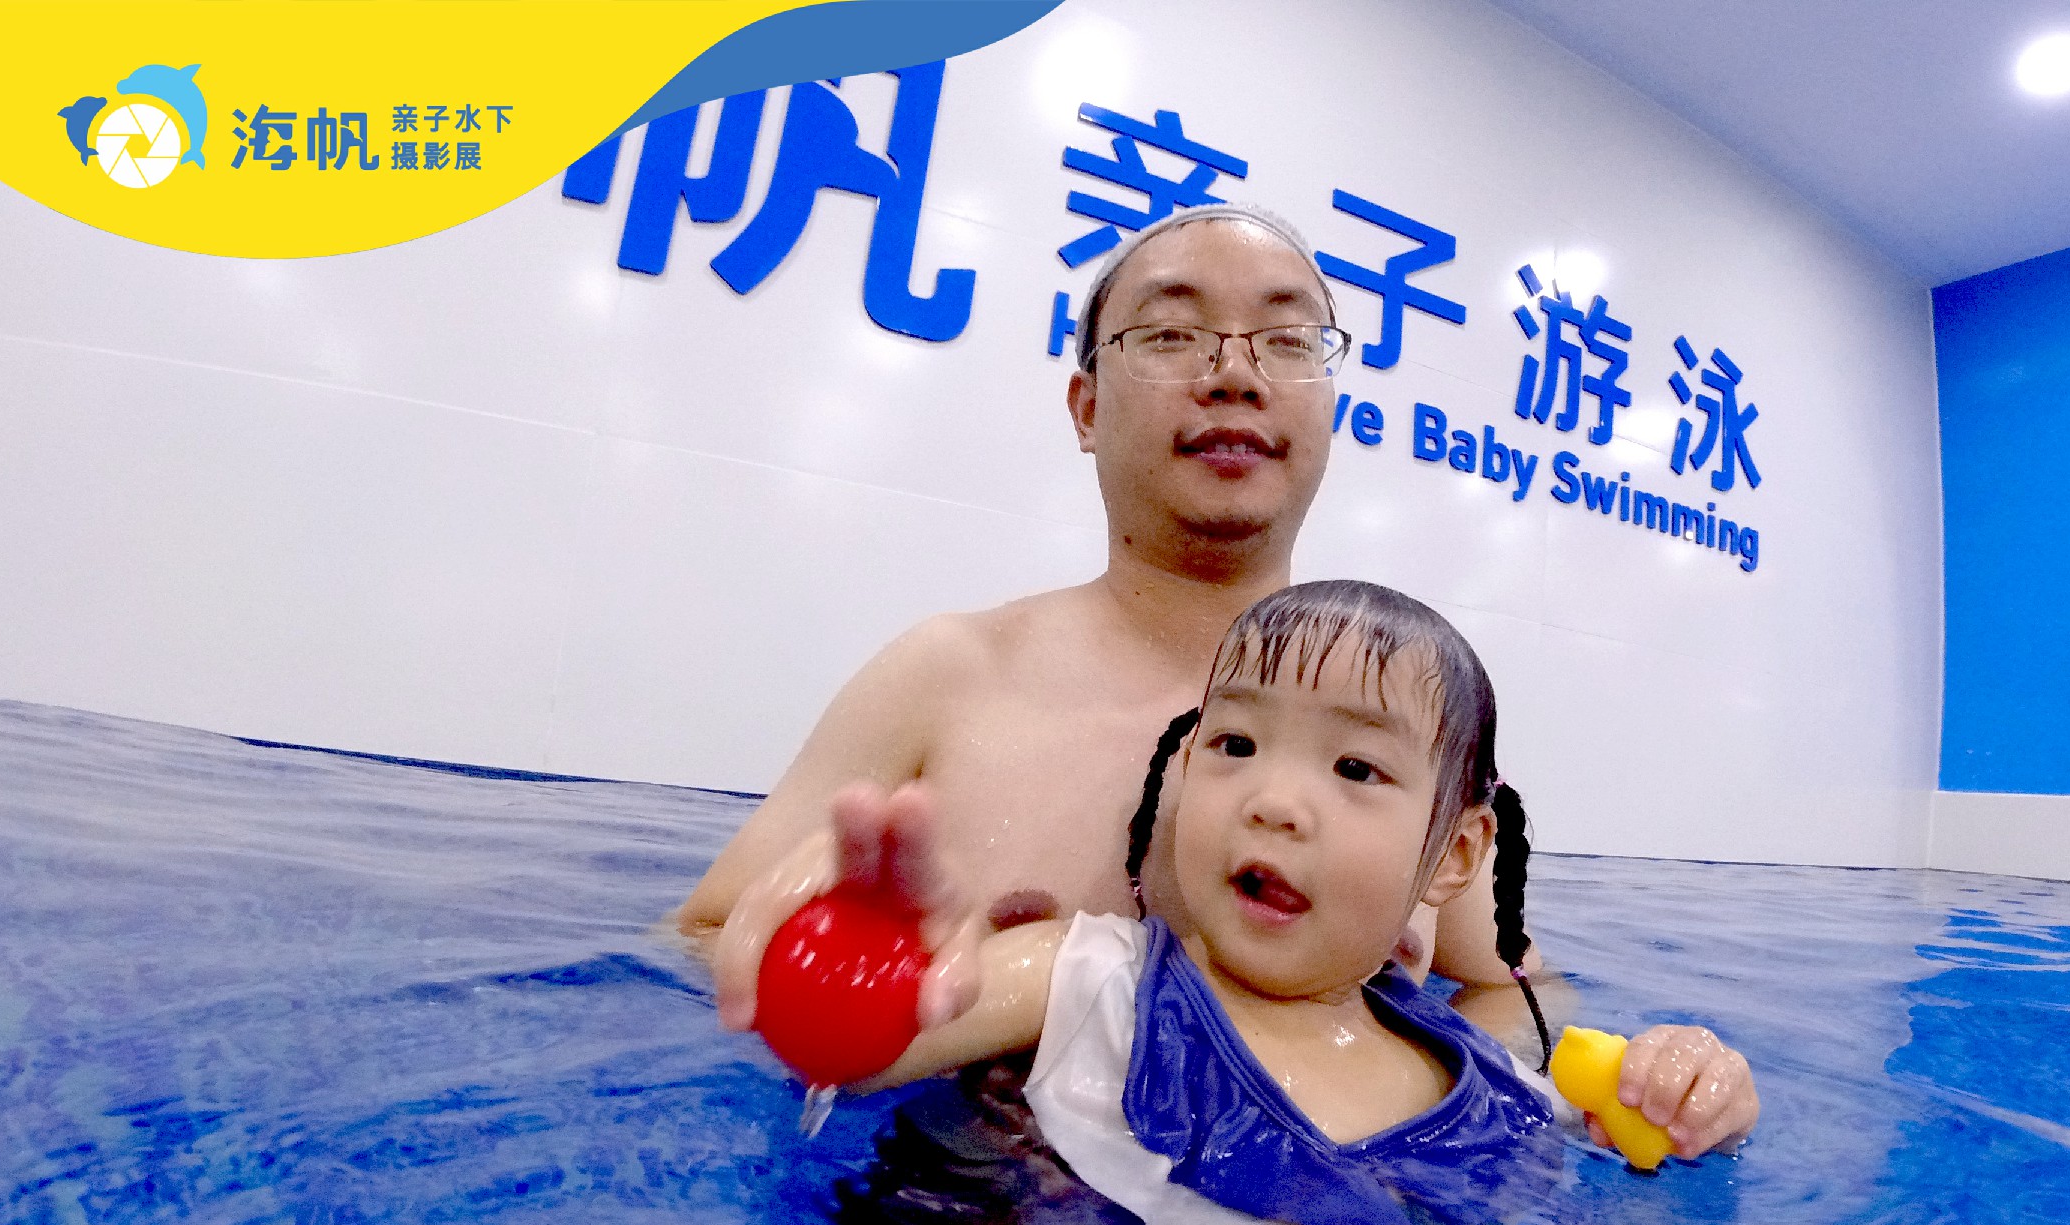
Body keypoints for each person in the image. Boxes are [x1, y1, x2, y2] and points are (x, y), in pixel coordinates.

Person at [675, 201, 1756, 1159]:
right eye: (1171, 333)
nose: (1235, 374)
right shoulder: (946, 675)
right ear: (1086, 406)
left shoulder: (1398, 731)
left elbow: (1515, 986)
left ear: (1328, 405)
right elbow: (695, 948)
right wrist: (829, 955)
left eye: (1287, 341)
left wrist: (1477, 1081)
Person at [821, 580, 1588, 1225]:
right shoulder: (1083, 980)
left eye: (1355, 767)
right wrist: (870, 957)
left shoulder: (1496, 1091)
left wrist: (1657, 1095)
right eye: (1237, 743)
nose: (1273, 802)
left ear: (1455, 853)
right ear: (1188, 771)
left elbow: (1613, 1172)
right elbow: (850, 1054)